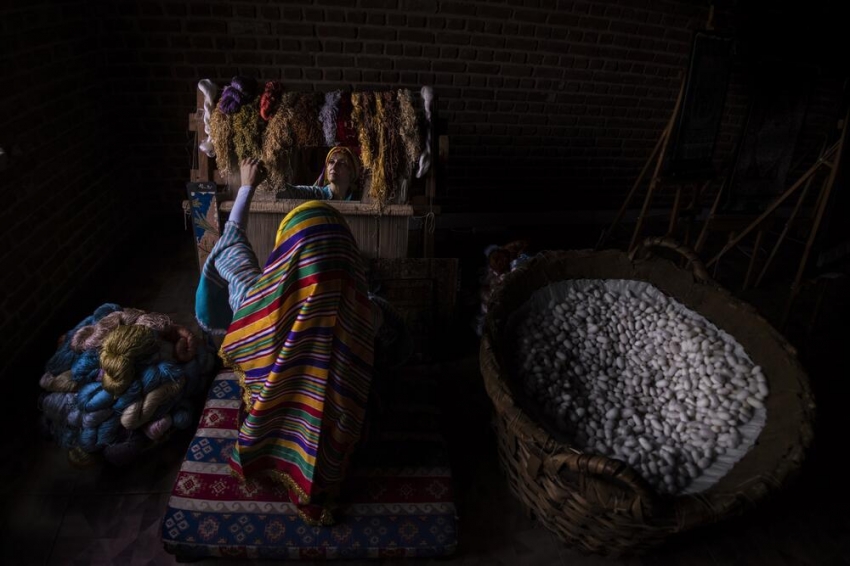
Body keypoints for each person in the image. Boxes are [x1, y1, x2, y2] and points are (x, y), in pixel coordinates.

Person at [195, 157, 383, 525]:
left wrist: (246, 185)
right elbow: (391, 326)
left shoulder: (257, 304)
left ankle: (272, 439)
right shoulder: (364, 315)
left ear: (285, 256)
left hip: (269, 407)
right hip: (337, 438)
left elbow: (232, 245)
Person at [277, 146, 360, 201]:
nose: (334, 166)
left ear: (351, 171)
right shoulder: (316, 194)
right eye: (331, 162)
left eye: (341, 163)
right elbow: (290, 191)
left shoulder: (358, 198)